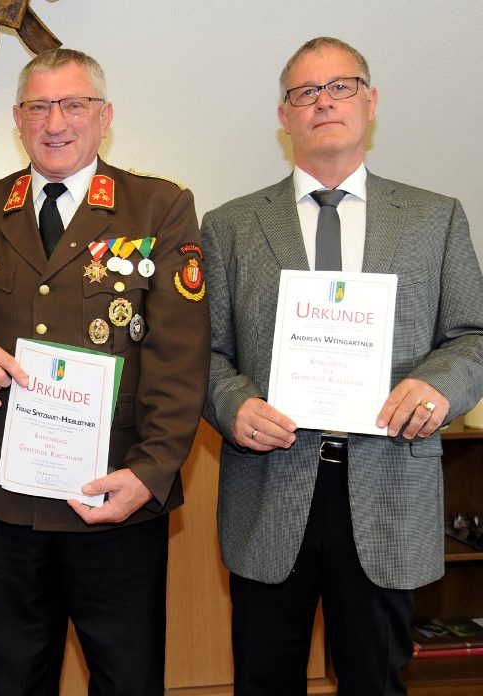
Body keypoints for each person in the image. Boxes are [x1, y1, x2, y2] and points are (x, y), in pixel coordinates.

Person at [201, 36, 483, 695]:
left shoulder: (434, 219)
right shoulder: (229, 226)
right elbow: (205, 353)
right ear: (284, 115)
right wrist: (233, 403)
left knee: (376, 682)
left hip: (388, 487)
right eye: (305, 92)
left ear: (370, 102)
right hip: (269, 489)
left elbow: (473, 337)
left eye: (341, 86)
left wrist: (438, 388)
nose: (323, 102)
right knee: (264, 680)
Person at [0, 48, 210, 695]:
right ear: (17, 118)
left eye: (73, 104)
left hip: (114, 498)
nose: (55, 121)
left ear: (104, 116)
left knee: (125, 677)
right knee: (12, 677)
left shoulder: (157, 208)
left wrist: (149, 475)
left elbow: (179, 359)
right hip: (10, 504)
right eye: (39, 106)